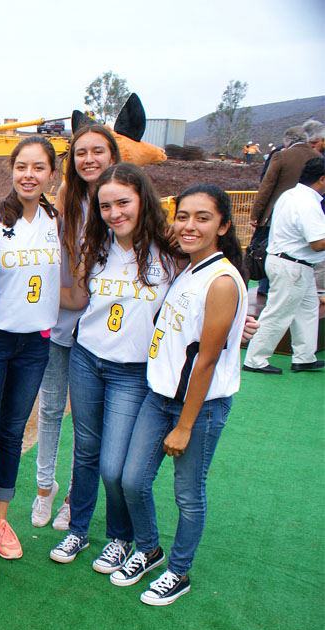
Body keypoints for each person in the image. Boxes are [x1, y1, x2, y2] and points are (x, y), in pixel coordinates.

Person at [117, 184, 249, 606]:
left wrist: (186, 426)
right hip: (159, 398)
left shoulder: (222, 281)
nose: (189, 225)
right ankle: (149, 548)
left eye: (203, 217)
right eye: (184, 216)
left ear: (223, 225)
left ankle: (179, 571)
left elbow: (206, 361)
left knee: (188, 494)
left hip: (198, 407)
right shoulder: (190, 267)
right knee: (131, 480)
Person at [48, 163, 178, 574]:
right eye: (105, 206)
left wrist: (237, 319)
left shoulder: (171, 250)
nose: (115, 212)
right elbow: (76, 297)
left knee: (114, 465)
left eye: (123, 202)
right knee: (85, 451)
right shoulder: (96, 244)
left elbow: (202, 292)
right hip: (87, 357)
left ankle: (121, 538)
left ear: (143, 199)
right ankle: (80, 529)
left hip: (133, 370)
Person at [33, 124, 121, 531]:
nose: (89, 159)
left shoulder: (119, 203)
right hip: (61, 316)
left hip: (97, 327)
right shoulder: (64, 201)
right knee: (50, 408)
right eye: (81, 152)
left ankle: (73, 496)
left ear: (113, 156)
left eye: (97, 151)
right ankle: (43, 488)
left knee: (85, 418)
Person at [0, 136, 62, 560]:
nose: (29, 175)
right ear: (11, 170)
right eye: (21, 167)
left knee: (12, 432)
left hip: (36, 343)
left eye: (38, 167)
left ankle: (0, 519)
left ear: (51, 173)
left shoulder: (58, 220)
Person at [243, 157, 325, 374]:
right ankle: (255, 359)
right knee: (278, 313)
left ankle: (305, 356)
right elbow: (317, 243)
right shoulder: (308, 203)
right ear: (322, 179)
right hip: (294, 265)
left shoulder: (290, 195)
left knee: (307, 309)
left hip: (292, 263)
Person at [251, 126, 319, 297]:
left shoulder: (281, 156)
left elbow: (266, 186)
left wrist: (256, 215)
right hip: (311, 216)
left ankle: (264, 289)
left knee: (266, 250)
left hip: (275, 214)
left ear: (286, 141)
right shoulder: (318, 157)